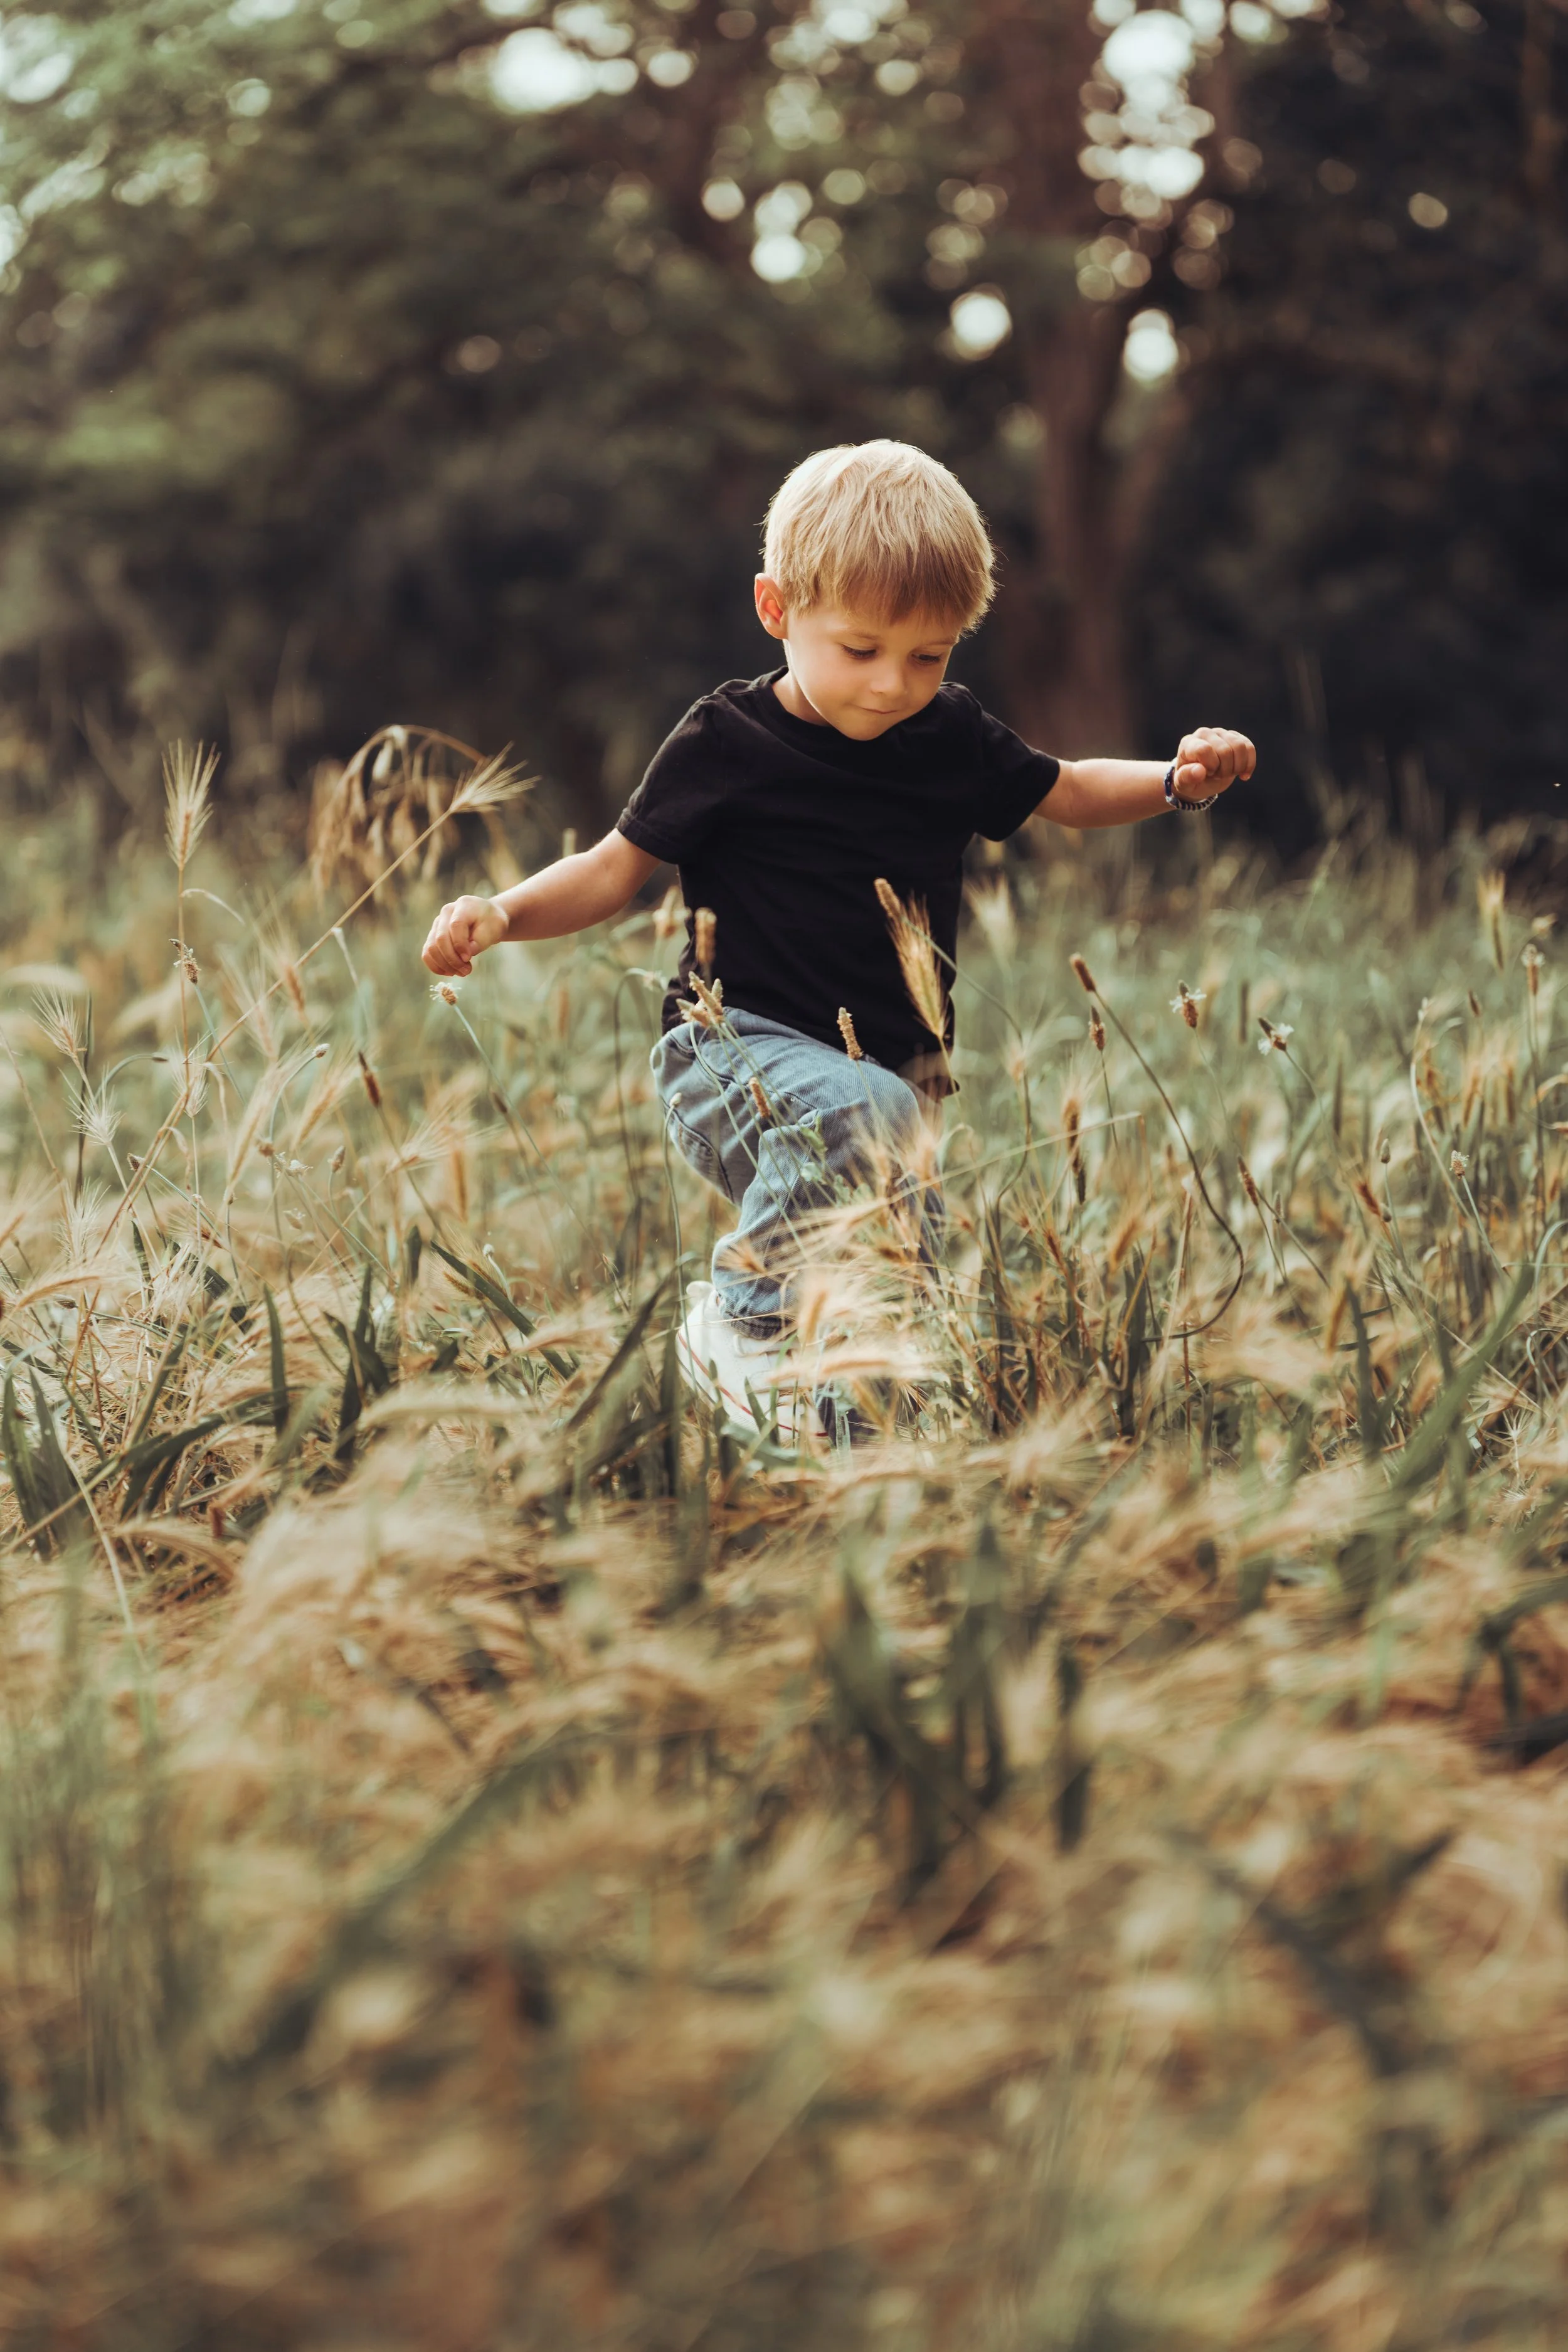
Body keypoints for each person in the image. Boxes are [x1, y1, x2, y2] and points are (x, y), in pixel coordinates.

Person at [422, 439, 1254, 1438]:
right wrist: (504, 913)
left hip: (895, 1088)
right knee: (867, 1113)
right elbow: (611, 868)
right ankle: (744, 1323)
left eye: (930, 655)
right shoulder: (725, 741)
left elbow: (1067, 788)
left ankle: (848, 1455)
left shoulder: (951, 737)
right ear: (777, 611)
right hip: (731, 1055)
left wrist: (1173, 778)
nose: (894, 683)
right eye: (860, 649)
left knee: (889, 1283)